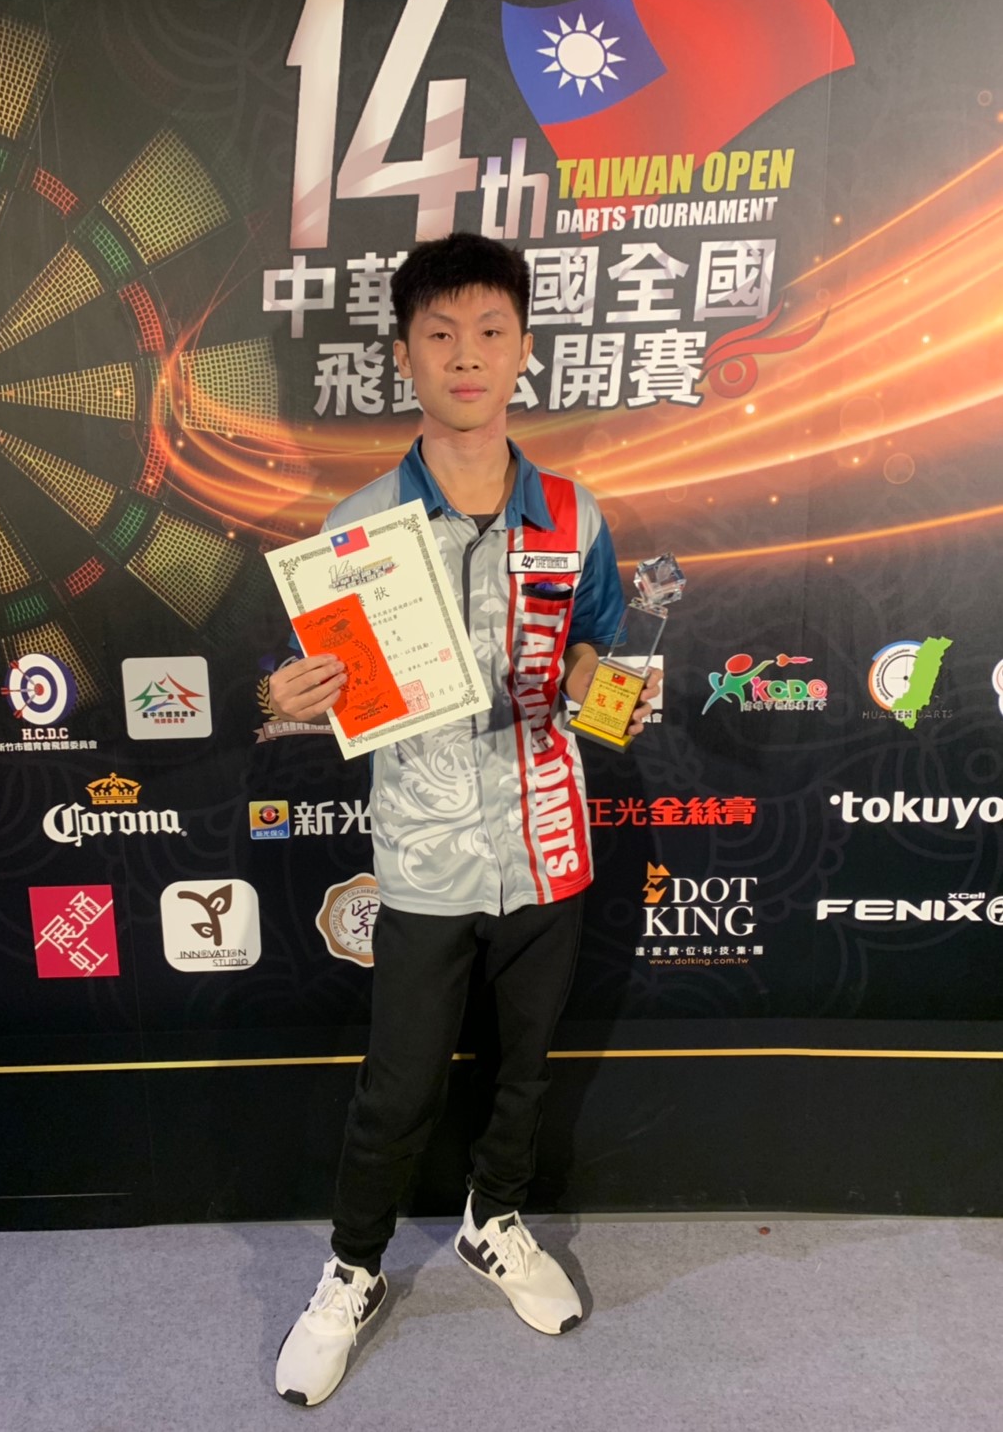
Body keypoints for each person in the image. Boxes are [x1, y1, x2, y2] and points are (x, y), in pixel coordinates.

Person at [268, 232, 660, 1406]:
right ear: (404, 356)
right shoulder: (360, 522)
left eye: (490, 331)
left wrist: (602, 681)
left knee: (523, 1070)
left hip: (549, 841)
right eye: (439, 334)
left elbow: (597, 641)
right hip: (425, 850)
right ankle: (353, 1266)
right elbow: (324, 680)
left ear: (523, 348)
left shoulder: (573, 512)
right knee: (397, 1087)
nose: (466, 355)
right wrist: (283, 697)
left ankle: (496, 1219)